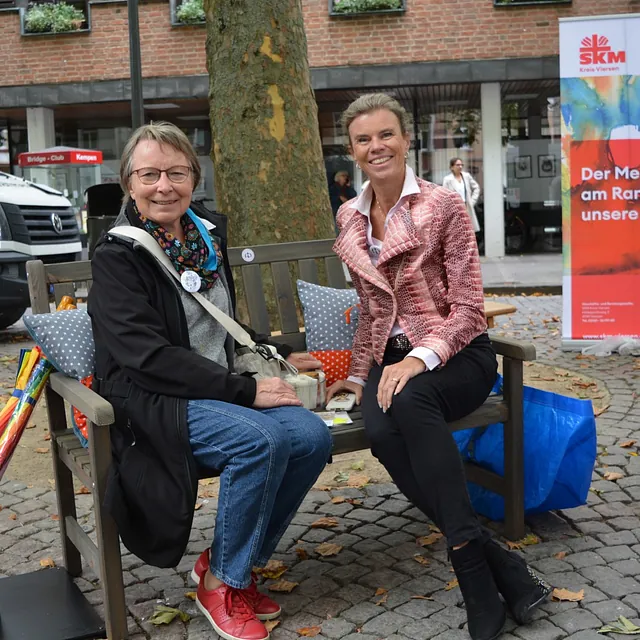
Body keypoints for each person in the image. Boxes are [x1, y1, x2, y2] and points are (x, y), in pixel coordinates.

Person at [87, 122, 332, 640]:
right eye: (149, 175)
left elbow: (217, 321)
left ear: (194, 179)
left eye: (177, 173)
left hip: (217, 385)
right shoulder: (117, 257)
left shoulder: (204, 236)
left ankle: (227, 562)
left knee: (312, 436)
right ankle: (222, 583)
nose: (164, 186)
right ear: (129, 183)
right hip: (154, 399)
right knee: (259, 440)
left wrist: (275, 352)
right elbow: (147, 357)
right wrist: (248, 390)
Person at [327, 94, 550, 640]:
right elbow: (371, 312)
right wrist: (356, 376)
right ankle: (504, 567)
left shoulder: (443, 204)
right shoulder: (350, 217)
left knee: (409, 400)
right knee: (382, 430)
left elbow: (470, 308)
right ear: (352, 150)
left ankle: (473, 578)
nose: (376, 146)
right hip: (391, 361)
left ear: (407, 140)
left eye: (386, 134)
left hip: (457, 353)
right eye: (363, 139)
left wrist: (419, 358)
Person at [442, 156, 481, 232]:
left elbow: (476, 188)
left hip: (466, 207)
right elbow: (444, 195)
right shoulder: (447, 179)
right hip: (454, 208)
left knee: (468, 230)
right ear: (452, 167)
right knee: (457, 231)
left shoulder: (466, 176)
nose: (460, 167)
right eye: (457, 165)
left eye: (461, 165)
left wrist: (472, 201)